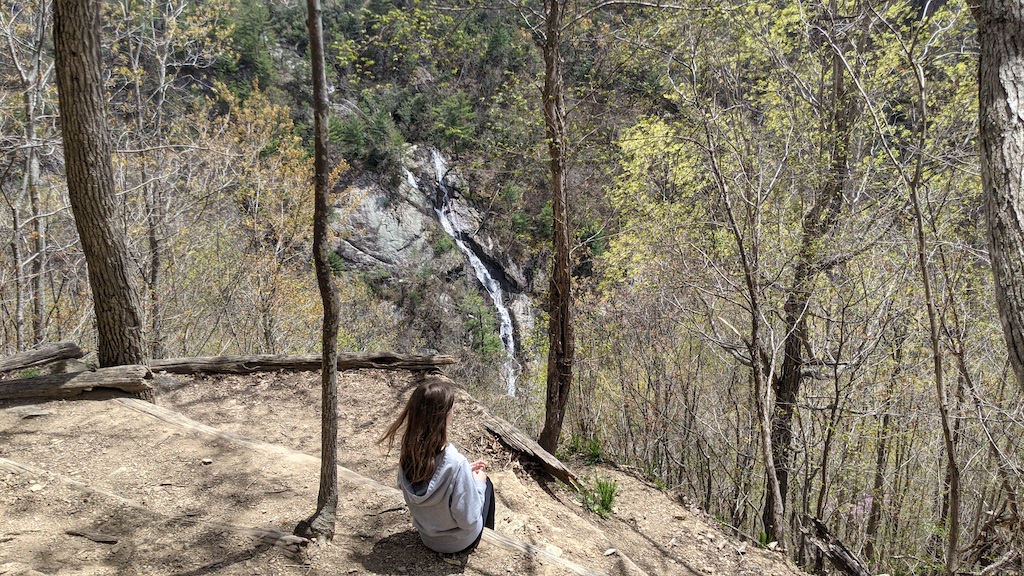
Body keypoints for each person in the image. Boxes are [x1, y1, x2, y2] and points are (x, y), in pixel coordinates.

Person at [379, 376, 496, 554]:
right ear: (442, 417)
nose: (453, 414)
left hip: (427, 538)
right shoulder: (456, 462)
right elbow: (468, 520)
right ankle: (486, 544)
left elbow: (429, 476)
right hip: (458, 543)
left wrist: (464, 473)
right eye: (451, 410)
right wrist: (478, 483)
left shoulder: (408, 453)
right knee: (487, 485)